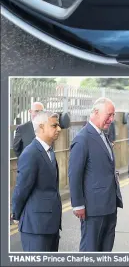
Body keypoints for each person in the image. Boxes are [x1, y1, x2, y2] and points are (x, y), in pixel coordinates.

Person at [69, 98, 123, 252]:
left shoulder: (103, 135)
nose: (111, 119)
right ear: (95, 112)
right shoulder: (82, 139)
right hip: (93, 208)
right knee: (90, 250)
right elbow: (74, 175)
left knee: (106, 249)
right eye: (109, 115)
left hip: (110, 205)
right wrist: (78, 204)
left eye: (113, 115)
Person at [11, 111, 62, 251]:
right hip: (36, 228)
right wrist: (15, 213)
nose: (59, 128)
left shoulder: (49, 151)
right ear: (41, 127)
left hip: (50, 225)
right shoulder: (31, 153)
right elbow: (22, 187)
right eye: (54, 125)